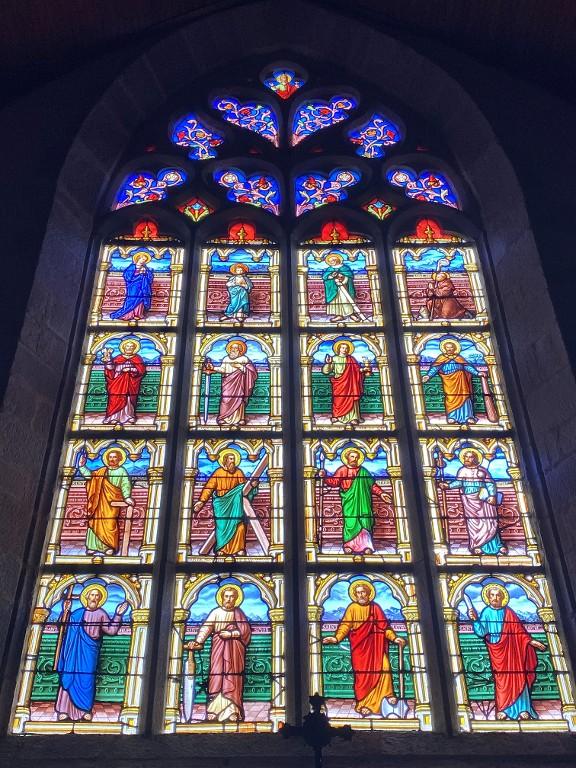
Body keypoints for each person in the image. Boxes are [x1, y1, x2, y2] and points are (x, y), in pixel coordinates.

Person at [322, 579, 406, 716]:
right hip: (360, 649)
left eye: (363, 592)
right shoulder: (352, 608)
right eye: (358, 593)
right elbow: (345, 625)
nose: (361, 595)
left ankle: (387, 696)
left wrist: (394, 638)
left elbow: (385, 627)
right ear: (355, 594)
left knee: (385, 668)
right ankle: (364, 704)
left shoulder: (375, 608)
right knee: (363, 678)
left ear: (369, 593)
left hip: (377, 647)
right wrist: (336, 638)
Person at [468, 584, 546, 721]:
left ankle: (523, 709)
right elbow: (481, 632)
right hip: (497, 650)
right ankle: (503, 709)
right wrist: (475, 619)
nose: (495, 598)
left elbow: (520, 631)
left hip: (514, 649)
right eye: (492, 595)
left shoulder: (509, 612)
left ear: (503, 597)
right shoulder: (486, 612)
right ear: (487, 597)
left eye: (498, 595)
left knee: (518, 677)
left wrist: (531, 641)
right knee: (502, 680)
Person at [55, 584, 129, 721]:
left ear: (100, 599)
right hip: (73, 651)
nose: (94, 598)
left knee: (87, 679)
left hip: (90, 651)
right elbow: (63, 627)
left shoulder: (101, 613)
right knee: (69, 677)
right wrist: (64, 611)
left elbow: (111, 631)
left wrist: (118, 615)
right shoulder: (76, 613)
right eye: (92, 595)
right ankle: (64, 710)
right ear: (86, 596)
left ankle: (84, 710)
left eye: (97, 596)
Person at [186, 584, 251, 723]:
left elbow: (245, 632)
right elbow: (206, 627)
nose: (229, 599)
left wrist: (232, 633)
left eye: (232, 596)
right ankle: (214, 710)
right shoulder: (215, 612)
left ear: (236, 598)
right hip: (218, 649)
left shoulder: (238, 613)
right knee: (216, 678)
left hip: (234, 652)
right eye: (226, 596)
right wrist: (198, 641)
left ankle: (233, 711)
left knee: (232, 678)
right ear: (221, 597)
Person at [318, 447, 391, 554]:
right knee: (350, 522)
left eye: (356, 457)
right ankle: (349, 545)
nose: (354, 459)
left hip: (363, 501)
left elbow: (372, 485)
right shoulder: (342, 470)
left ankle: (367, 546)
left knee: (365, 520)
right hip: (349, 501)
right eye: (352, 456)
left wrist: (382, 493)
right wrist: (324, 476)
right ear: (347, 457)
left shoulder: (364, 471)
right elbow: (334, 482)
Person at [439, 448, 507, 555]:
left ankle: (497, 545)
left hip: (484, 499)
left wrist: (492, 495)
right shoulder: (462, 470)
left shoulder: (483, 470)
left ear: (475, 458)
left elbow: (490, 483)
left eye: (470, 457)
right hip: (469, 500)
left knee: (490, 522)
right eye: (465, 457)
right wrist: (448, 486)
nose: (467, 459)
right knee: (473, 523)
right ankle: (477, 545)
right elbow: (458, 482)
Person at [193, 449, 259, 556]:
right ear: (225, 460)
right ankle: (222, 549)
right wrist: (201, 501)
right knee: (222, 527)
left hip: (236, 505)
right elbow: (209, 487)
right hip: (222, 505)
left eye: (234, 459)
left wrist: (252, 486)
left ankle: (239, 549)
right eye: (230, 459)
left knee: (240, 526)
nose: (232, 461)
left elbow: (244, 488)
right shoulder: (218, 473)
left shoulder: (238, 472)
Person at [78, 447, 134, 555]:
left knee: (110, 523)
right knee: (95, 522)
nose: (112, 459)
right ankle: (93, 547)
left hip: (112, 503)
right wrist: (81, 466)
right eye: (110, 457)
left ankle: (109, 546)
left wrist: (127, 497)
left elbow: (125, 484)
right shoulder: (102, 471)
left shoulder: (122, 471)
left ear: (119, 459)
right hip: (98, 502)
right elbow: (90, 476)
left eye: (115, 457)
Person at [421, 338, 486, 424]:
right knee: (450, 397)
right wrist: (428, 375)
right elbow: (435, 368)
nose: (449, 349)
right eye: (447, 347)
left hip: (461, 379)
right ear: (444, 348)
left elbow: (467, 366)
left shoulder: (459, 358)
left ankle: (468, 416)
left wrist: (477, 373)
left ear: (454, 348)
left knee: (465, 397)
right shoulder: (441, 358)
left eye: (451, 347)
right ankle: (452, 416)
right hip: (448, 380)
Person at [204, 339, 258, 426]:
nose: (233, 350)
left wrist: (240, 367)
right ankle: (223, 417)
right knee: (225, 399)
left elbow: (252, 372)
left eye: (236, 348)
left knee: (239, 399)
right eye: (232, 348)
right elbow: (223, 369)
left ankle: (240, 418)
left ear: (240, 350)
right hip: (228, 382)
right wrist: (213, 368)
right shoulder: (226, 359)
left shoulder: (244, 359)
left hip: (240, 383)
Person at [321, 339, 371, 426]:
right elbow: (326, 371)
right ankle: (337, 416)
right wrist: (328, 363)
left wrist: (364, 369)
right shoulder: (334, 358)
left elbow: (356, 370)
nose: (345, 349)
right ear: (339, 349)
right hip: (339, 382)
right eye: (343, 348)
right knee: (338, 400)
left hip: (350, 382)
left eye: (346, 348)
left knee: (352, 398)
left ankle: (353, 417)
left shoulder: (351, 359)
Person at [102, 338, 146, 426]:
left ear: (134, 348)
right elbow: (111, 370)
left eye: (131, 346)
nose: (129, 348)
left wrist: (130, 369)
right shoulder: (118, 358)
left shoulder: (137, 358)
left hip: (130, 383)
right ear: (124, 347)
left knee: (128, 399)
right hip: (117, 382)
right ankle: (113, 417)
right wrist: (108, 362)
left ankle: (129, 416)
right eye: (127, 346)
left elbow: (141, 370)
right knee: (114, 398)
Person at [110, 251, 154, 321]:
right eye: (142, 259)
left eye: (145, 260)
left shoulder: (145, 268)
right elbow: (127, 277)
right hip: (133, 286)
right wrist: (139, 275)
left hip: (143, 286)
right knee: (132, 299)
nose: (143, 261)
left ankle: (138, 314)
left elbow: (150, 278)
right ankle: (129, 314)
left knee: (140, 299)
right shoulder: (132, 267)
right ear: (138, 258)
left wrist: (145, 273)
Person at [321, 251, 360, 322]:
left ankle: (351, 314)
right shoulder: (329, 269)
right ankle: (339, 315)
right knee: (335, 301)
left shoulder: (345, 268)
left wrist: (343, 278)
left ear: (338, 259)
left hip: (344, 287)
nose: (332, 262)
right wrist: (331, 276)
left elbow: (350, 276)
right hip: (333, 289)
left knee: (346, 300)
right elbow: (325, 277)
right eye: (330, 261)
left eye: (333, 260)